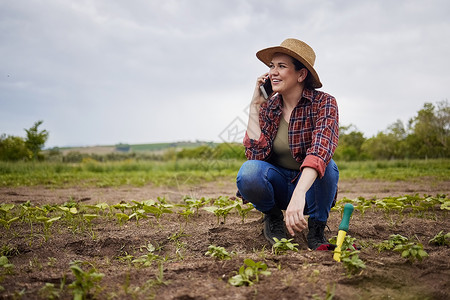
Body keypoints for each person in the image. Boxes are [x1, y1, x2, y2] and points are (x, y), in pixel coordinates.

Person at [236, 38, 339, 250]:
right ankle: (272, 217)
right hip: (279, 186)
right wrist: (255, 105)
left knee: (327, 166)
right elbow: (255, 155)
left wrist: (300, 193)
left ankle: (317, 228)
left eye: (281, 66)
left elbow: (320, 151)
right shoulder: (268, 107)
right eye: (271, 66)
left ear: (301, 75)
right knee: (249, 171)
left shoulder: (324, 103)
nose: (273, 72)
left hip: (310, 190)